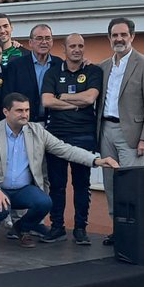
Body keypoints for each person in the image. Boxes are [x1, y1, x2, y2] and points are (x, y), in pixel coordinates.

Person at [0, 93, 119, 248]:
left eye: (27, 110)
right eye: (19, 111)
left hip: (24, 190)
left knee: (44, 202)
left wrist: (96, 160)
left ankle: (22, 228)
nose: (25, 115)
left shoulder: (37, 131)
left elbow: (65, 149)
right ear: (5, 112)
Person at [98, 17, 144, 245]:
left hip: (132, 135)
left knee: (131, 185)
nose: (119, 39)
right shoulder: (103, 66)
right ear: (109, 38)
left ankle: (134, 232)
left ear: (132, 37)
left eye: (123, 35)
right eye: (115, 35)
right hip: (105, 130)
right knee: (110, 184)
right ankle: (118, 230)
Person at [41, 33, 104, 244]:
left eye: (80, 46)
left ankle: (80, 229)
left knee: (82, 185)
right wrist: (77, 103)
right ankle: (57, 227)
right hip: (56, 135)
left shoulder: (94, 71)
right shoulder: (52, 72)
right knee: (57, 185)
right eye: (72, 46)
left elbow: (90, 98)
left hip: (84, 135)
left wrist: (64, 97)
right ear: (64, 50)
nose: (77, 49)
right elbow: (47, 102)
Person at [3, 23, 61, 123]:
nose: (44, 42)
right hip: (24, 123)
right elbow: (8, 97)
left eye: (48, 38)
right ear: (30, 42)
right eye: (39, 38)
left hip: (55, 124)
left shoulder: (60, 65)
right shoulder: (16, 66)